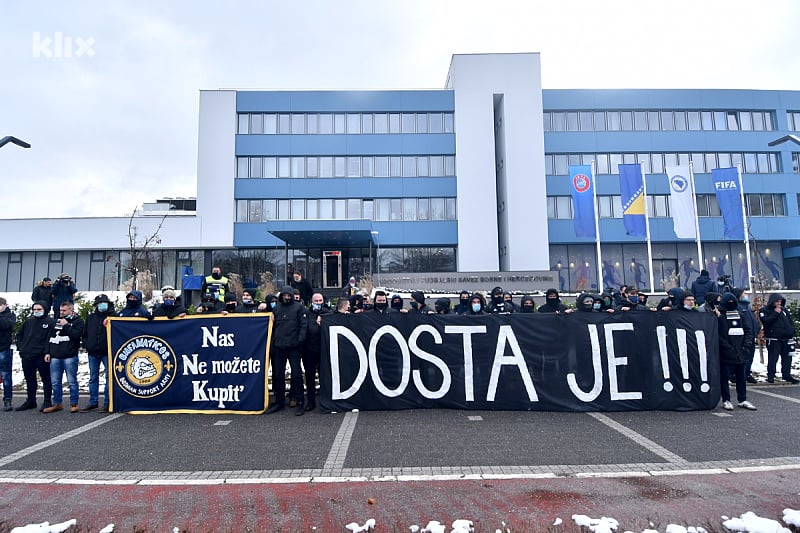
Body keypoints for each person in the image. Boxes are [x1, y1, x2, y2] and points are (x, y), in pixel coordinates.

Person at [266, 286, 308, 415]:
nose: (287, 297)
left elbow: (303, 325)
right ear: (282, 296)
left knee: (296, 375)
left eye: (289, 295)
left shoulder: (299, 308)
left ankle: (300, 402)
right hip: (279, 347)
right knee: (278, 376)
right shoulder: (277, 308)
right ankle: (279, 401)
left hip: (294, 347)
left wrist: (299, 340)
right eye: (285, 295)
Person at [43, 302, 84, 413]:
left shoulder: (78, 321)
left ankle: (74, 404)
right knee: (55, 382)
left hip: (69, 356)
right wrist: (47, 352)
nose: (62, 312)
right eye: (60, 310)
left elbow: (76, 335)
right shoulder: (56, 321)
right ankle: (57, 403)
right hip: (55, 356)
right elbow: (49, 337)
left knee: (72, 381)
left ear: (71, 310)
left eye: (64, 310)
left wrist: (66, 325)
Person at [717, 293, 756, 411]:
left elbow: (748, 330)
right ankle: (726, 400)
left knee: (741, 377)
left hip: (741, 351)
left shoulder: (740, 314)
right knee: (725, 377)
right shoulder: (720, 316)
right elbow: (718, 334)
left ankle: (742, 399)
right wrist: (728, 348)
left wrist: (746, 345)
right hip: (727, 352)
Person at [14, 301, 55, 411]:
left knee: (46, 379)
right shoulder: (29, 321)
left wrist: (47, 352)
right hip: (27, 354)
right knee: (30, 379)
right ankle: (31, 401)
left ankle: (47, 401)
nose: (36, 311)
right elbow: (19, 335)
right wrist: (21, 347)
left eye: (39, 309)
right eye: (34, 309)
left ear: (45, 310)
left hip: (41, 355)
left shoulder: (50, 322)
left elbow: (51, 339)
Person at [81, 294, 116, 412]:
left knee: (109, 378)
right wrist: (87, 345)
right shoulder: (91, 318)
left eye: (104, 302)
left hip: (107, 352)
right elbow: (85, 334)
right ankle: (93, 402)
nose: (102, 305)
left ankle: (108, 402)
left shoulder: (113, 317)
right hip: (92, 352)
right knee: (93, 378)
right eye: (99, 303)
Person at [758, 293, 799, 384]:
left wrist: (791, 330)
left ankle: (786, 374)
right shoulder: (764, 310)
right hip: (774, 339)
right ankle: (771, 376)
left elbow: (790, 321)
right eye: (777, 301)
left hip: (786, 339)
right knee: (773, 358)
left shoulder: (784, 310)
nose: (779, 303)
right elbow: (766, 321)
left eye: (780, 301)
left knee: (787, 358)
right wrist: (775, 313)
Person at [303, 292, 331, 412]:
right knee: (309, 377)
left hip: (323, 349)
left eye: (320, 301)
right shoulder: (306, 313)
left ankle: (326, 401)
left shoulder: (328, 313)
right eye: (316, 301)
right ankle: (310, 402)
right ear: (312, 302)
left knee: (324, 376)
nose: (318, 303)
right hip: (309, 350)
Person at [732, 288, 760, 384]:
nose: (746, 294)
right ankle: (739, 375)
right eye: (744, 293)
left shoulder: (747, 306)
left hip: (752, 336)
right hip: (743, 337)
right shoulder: (737, 307)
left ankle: (747, 373)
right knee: (743, 357)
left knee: (750, 357)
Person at [0, 297, 17, 411]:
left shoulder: (9, 315)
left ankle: (8, 399)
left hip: (4, 349)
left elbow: (6, 325)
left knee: (6, 376)